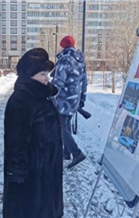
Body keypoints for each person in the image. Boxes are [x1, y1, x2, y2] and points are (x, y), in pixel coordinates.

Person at [3, 48, 63, 218]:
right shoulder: (22, 100)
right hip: (31, 179)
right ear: (30, 76)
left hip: (46, 173)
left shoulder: (40, 96)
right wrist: (17, 175)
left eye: (47, 74)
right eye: (43, 74)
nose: (47, 79)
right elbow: (15, 141)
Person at [51, 35, 88, 169]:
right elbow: (84, 82)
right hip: (74, 100)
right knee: (65, 125)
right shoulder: (80, 61)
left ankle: (77, 153)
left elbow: (58, 81)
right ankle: (66, 153)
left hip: (63, 100)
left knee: (60, 127)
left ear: (63, 46)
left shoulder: (64, 59)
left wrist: (51, 95)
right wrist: (82, 99)